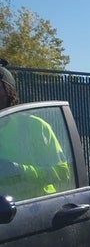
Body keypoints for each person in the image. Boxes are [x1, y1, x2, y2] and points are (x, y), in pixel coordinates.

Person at [0, 59, 71, 200]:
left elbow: (63, 173)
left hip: (37, 210)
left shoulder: (35, 126)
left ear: (9, 91)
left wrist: (22, 171)